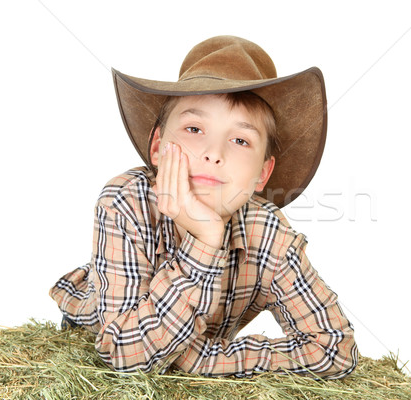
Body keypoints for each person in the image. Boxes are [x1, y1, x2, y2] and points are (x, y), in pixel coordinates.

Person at [49, 35, 358, 378]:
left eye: (240, 140)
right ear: (157, 147)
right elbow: (124, 353)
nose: (214, 153)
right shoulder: (125, 202)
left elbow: (335, 348)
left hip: (197, 350)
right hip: (96, 340)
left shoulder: (269, 233)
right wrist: (207, 239)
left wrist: (204, 361)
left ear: (262, 174)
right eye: (194, 128)